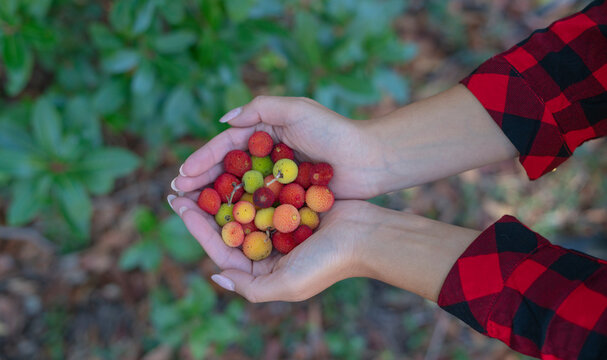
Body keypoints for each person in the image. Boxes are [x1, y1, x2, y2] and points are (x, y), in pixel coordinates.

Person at [167, 1, 607, 358]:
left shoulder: (283, 196)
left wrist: (366, 240)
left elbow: (581, 324)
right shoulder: (286, 191)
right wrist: (374, 155)